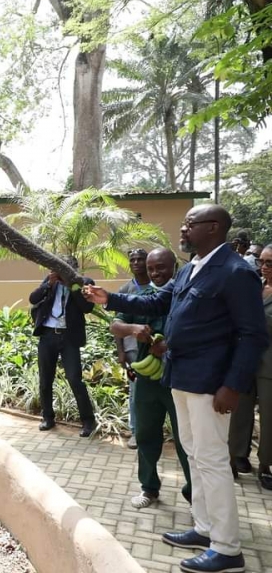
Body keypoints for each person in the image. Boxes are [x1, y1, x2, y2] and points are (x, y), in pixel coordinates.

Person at [83, 205, 267, 573]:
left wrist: (233, 385)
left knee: (213, 462)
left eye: (189, 224)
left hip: (210, 384)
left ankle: (228, 549)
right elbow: (157, 300)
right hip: (180, 378)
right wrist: (111, 299)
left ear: (212, 228)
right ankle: (205, 528)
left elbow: (252, 335)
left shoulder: (236, 272)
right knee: (195, 455)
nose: (182, 230)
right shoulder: (192, 269)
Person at [109, 248, 192, 508]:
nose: (155, 273)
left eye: (162, 268)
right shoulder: (142, 296)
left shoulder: (185, 298)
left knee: (185, 439)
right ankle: (149, 488)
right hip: (147, 378)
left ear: (174, 267)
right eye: (152, 268)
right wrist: (134, 328)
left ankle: (194, 494)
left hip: (179, 379)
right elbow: (115, 325)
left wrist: (168, 344)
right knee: (145, 435)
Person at [29, 255, 97, 438]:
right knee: (45, 379)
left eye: (67, 269)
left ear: (74, 270)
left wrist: (72, 286)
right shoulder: (50, 280)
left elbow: (87, 308)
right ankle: (48, 418)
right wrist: (48, 284)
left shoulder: (85, 283)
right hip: (48, 335)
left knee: (74, 378)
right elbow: (33, 298)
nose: (63, 272)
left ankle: (88, 421)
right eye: (60, 268)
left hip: (69, 337)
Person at [230, 244, 272, 492]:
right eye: (262, 262)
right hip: (245, 359)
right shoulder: (255, 286)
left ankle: (266, 465)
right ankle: (236, 457)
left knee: (268, 416)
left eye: (270, 263)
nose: (264, 267)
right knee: (239, 412)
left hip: (269, 363)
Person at [116, 248, 151, 449]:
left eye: (140, 259)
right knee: (136, 390)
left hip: (156, 349)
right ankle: (136, 431)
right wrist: (120, 351)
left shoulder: (158, 287)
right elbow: (117, 323)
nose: (136, 262)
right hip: (132, 350)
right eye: (133, 260)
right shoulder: (125, 290)